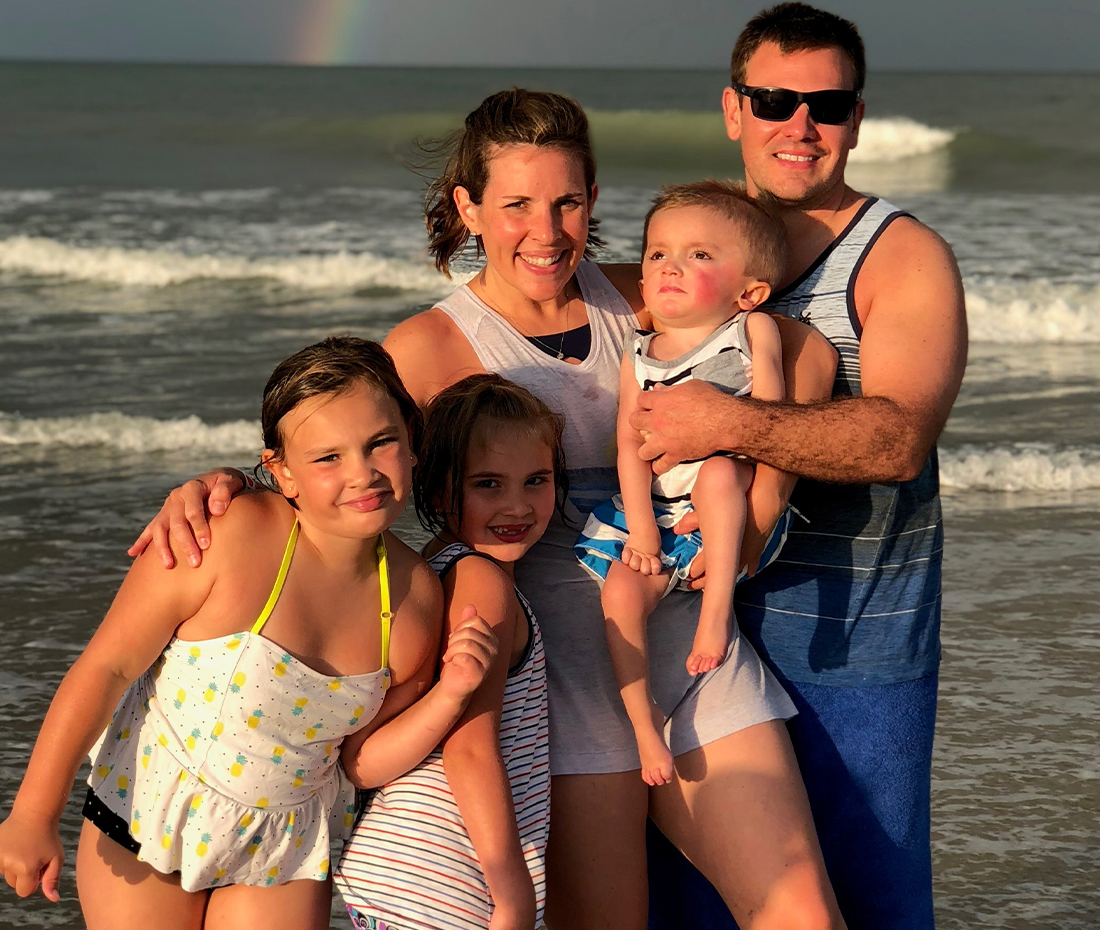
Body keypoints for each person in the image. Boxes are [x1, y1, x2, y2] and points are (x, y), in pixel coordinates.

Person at [129, 89, 847, 930]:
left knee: (803, 912)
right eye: (516, 205)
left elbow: (806, 352)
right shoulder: (428, 348)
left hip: (694, 651)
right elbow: (335, 460)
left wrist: (757, 508)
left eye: (567, 202)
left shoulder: (642, 295)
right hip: (564, 692)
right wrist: (224, 483)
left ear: (593, 200)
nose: (546, 231)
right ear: (468, 207)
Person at [635, 6, 968, 929]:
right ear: (734, 109)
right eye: (776, 100)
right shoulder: (689, 248)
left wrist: (731, 421)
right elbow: (545, 332)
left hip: (849, 653)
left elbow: (897, 439)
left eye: (827, 104)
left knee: (869, 906)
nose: (801, 124)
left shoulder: (899, 258)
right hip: (692, 647)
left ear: (857, 117)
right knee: (690, 911)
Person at [0, 337, 498, 930]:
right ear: (281, 471)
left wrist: (450, 695)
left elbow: (359, 763)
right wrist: (33, 813)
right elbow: (108, 667)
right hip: (151, 815)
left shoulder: (416, 600)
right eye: (327, 458)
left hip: (283, 848)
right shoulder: (227, 535)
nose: (362, 474)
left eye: (380, 443)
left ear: (411, 439)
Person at [574, 181, 789, 786]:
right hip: (655, 511)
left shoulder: (752, 331)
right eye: (658, 254)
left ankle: (715, 611)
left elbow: (773, 423)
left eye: (699, 255)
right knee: (620, 596)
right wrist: (642, 529)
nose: (671, 266)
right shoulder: (638, 352)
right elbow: (629, 445)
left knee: (717, 472)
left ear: (749, 292)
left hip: (727, 509)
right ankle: (644, 727)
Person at [336, 374, 559, 930]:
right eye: (488, 484)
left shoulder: (426, 576)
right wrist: (513, 895)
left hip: (391, 872)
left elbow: (361, 762)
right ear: (438, 492)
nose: (517, 505)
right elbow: (470, 751)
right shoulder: (482, 582)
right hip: (450, 879)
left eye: (536, 480)